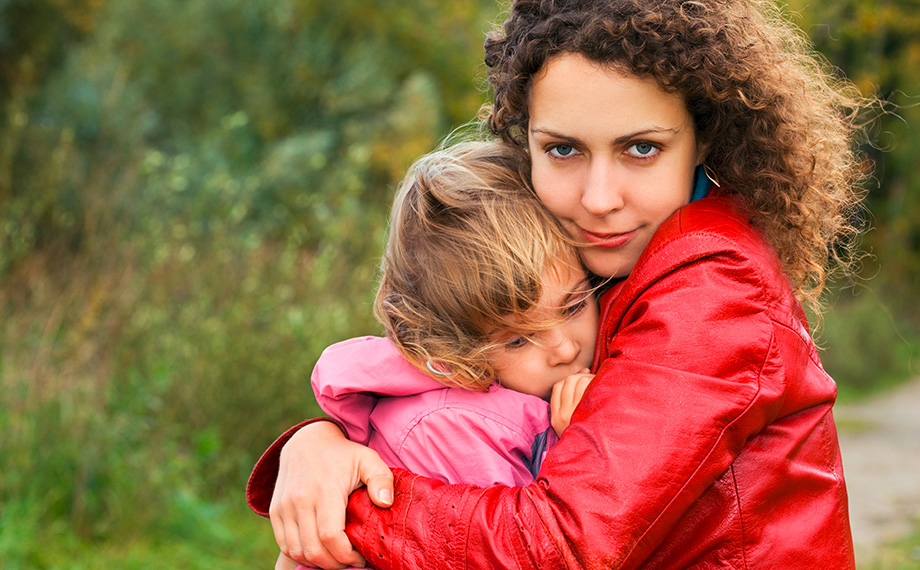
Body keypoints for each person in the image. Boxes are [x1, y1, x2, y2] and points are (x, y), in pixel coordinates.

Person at [248, 0, 868, 567]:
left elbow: (562, 546)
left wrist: (353, 498)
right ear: (526, 145)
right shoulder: (606, 262)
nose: (599, 200)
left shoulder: (715, 290)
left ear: (703, 136)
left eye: (642, 149)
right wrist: (322, 441)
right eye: (564, 150)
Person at [275, 140, 599, 570]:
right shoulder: (450, 427)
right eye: (518, 340)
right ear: (452, 345)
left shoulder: (502, 397)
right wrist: (576, 444)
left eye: (574, 305)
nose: (564, 347)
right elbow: (516, 547)